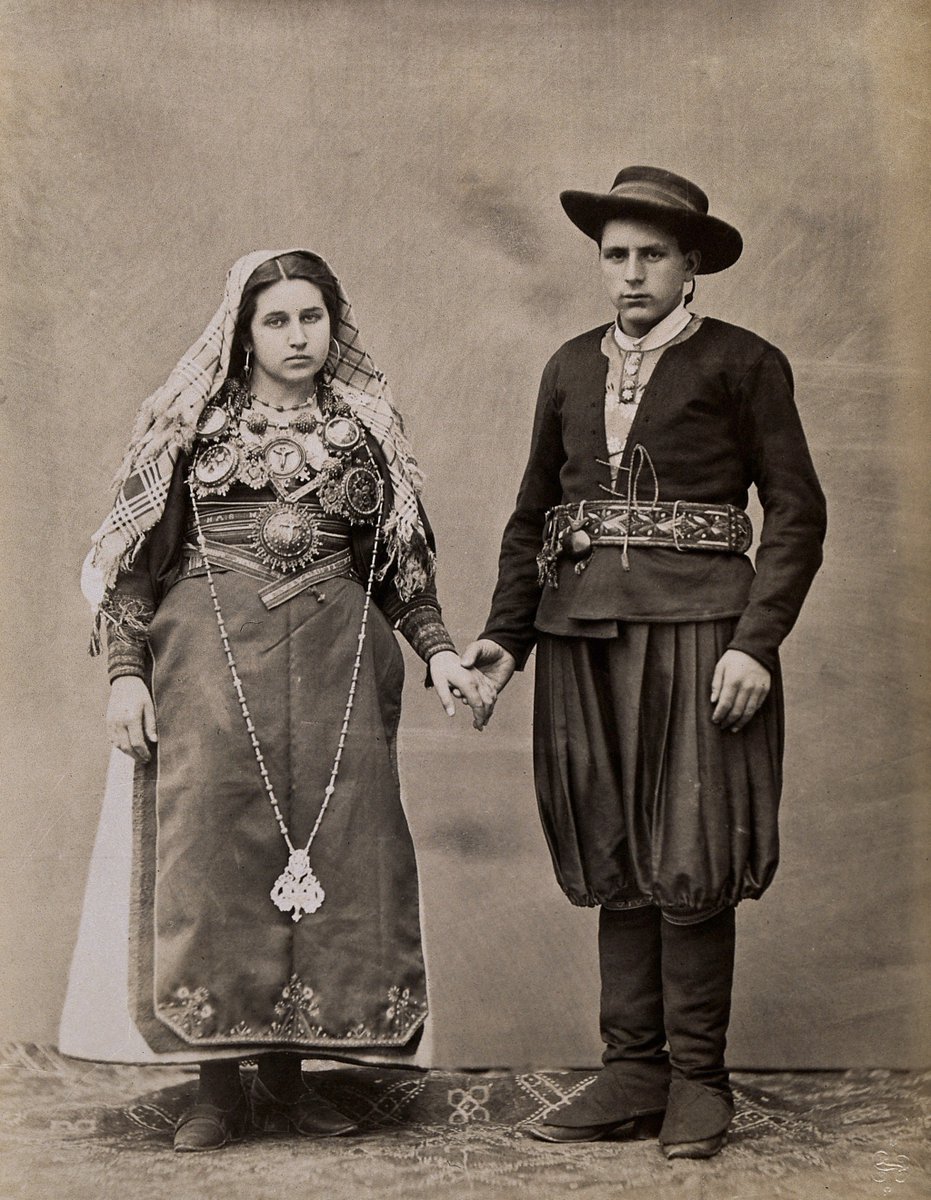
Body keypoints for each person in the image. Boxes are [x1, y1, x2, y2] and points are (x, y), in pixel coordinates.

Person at [64, 249, 494, 1152]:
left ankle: (292, 1084)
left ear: (334, 326)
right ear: (243, 331)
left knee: (330, 868)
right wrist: (126, 675)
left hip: (336, 678)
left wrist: (442, 655)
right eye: (277, 319)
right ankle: (213, 1092)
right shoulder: (191, 431)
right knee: (214, 866)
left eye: (313, 317)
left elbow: (399, 572)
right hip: (211, 677)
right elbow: (137, 573)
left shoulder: (366, 436)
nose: (299, 336)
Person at [462, 167, 826, 1159]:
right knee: (613, 850)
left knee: (690, 853)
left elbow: (794, 513)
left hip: (699, 634)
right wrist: (504, 639)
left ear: (690, 264)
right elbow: (533, 517)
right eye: (614, 255)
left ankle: (698, 1082)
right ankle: (632, 1070)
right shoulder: (569, 364)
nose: (629, 274)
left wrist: (756, 642)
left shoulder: (743, 363)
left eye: (650, 256)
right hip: (582, 637)